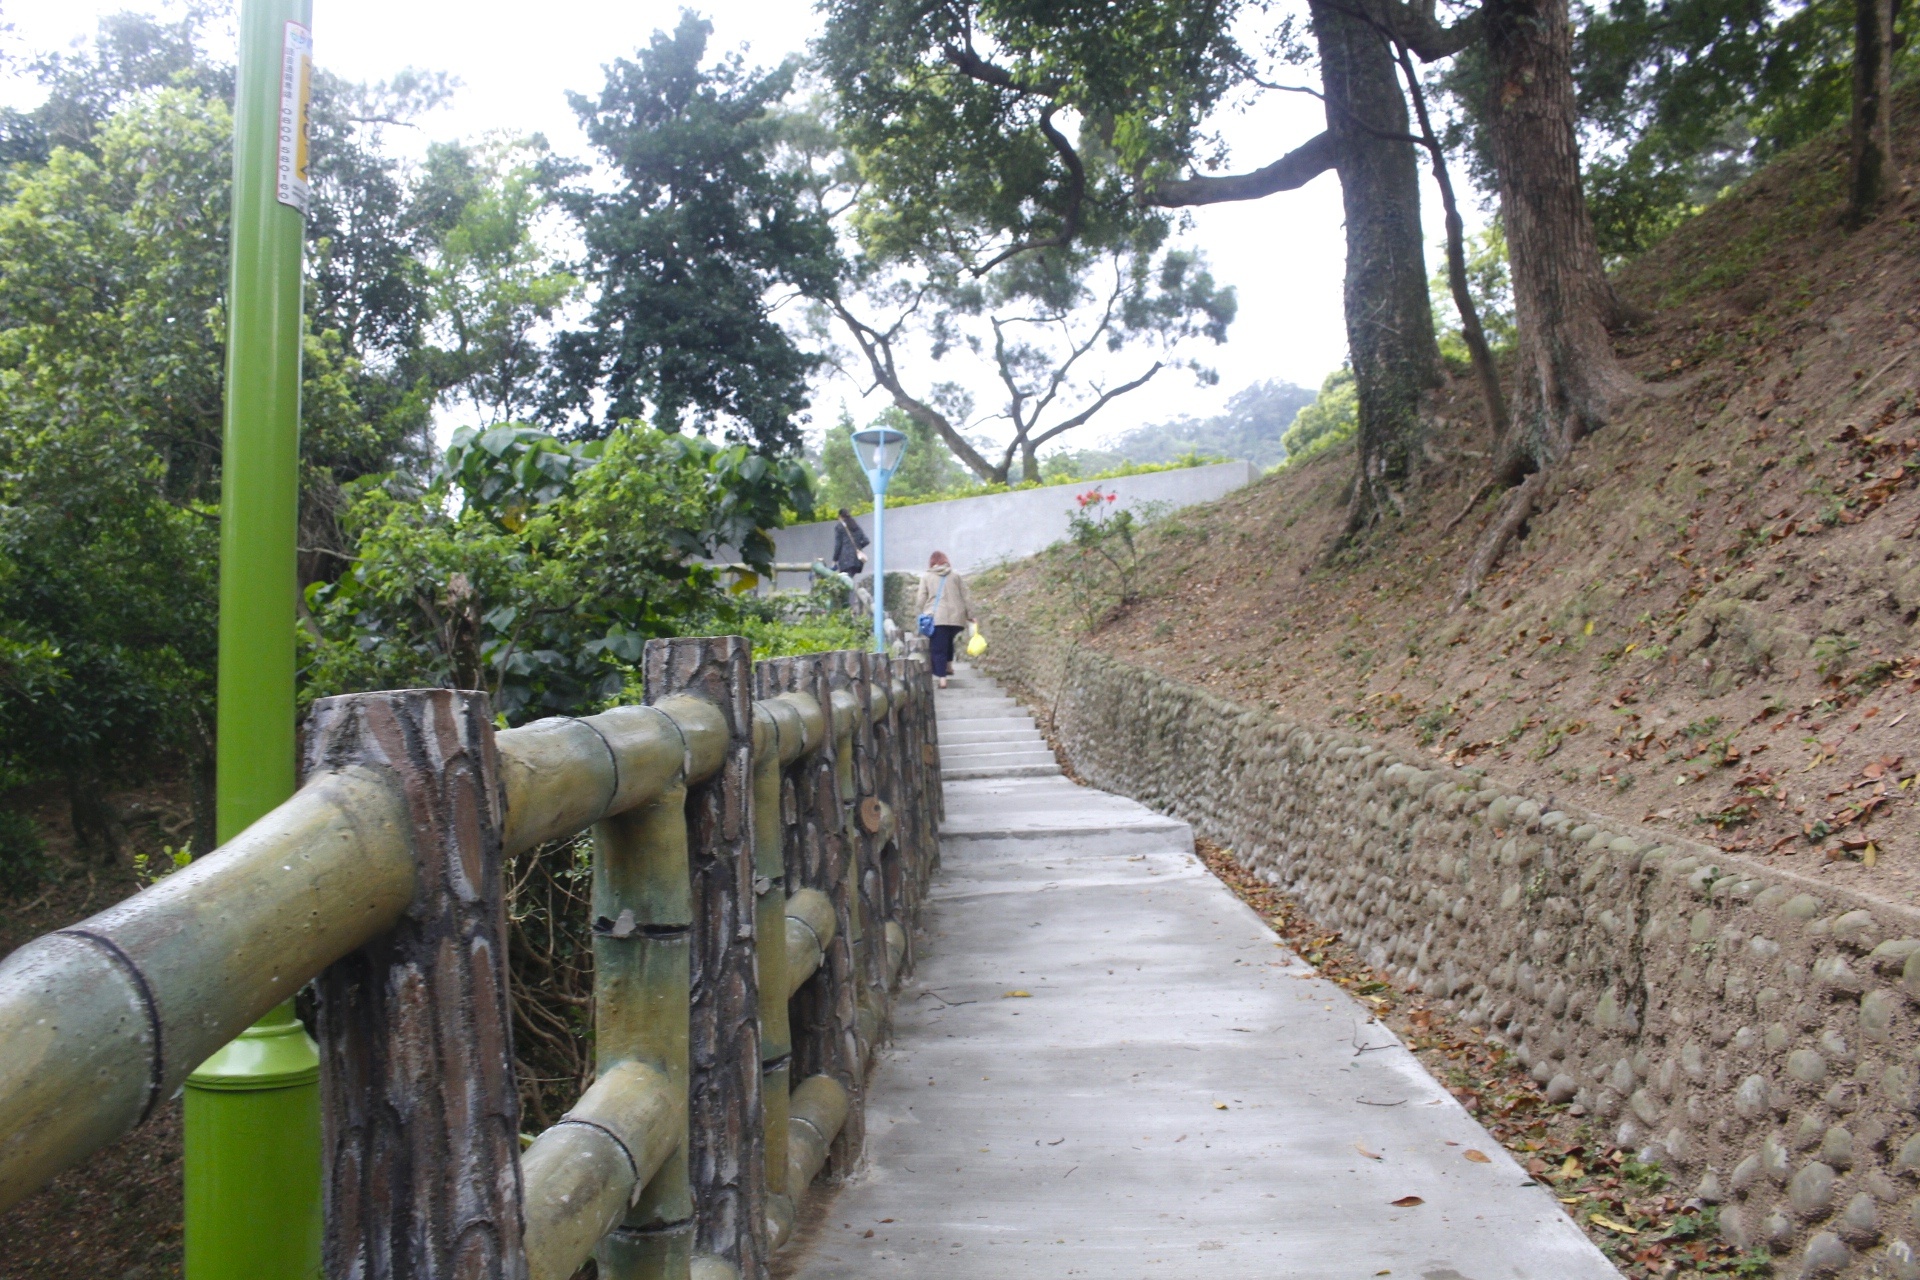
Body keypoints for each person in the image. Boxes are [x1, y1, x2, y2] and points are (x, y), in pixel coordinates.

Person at [915, 551, 974, 688]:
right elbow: (966, 597)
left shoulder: (927, 577)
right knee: (948, 641)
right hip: (956, 618)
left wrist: (921, 612)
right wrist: (971, 615)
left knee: (938, 648)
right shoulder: (955, 576)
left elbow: (920, 599)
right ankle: (949, 666)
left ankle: (942, 679)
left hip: (937, 617)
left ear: (931, 563)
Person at [831, 508, 869, 576]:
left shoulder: (839, 527)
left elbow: (838, 545)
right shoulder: (855, 525)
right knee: (849, 579)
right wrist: (858, 547)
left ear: (840, 517)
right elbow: (866, 541)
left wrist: (834, 560)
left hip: (845, 560)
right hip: (857, 560)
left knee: (845, 581)